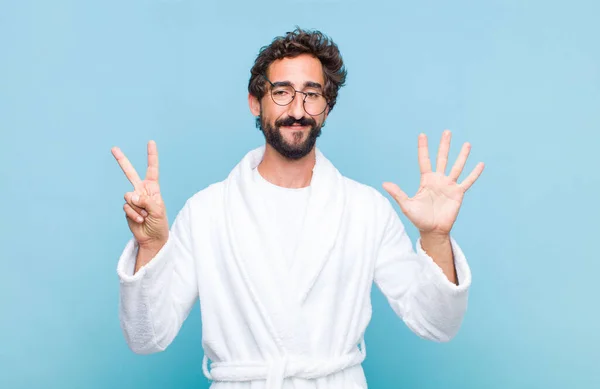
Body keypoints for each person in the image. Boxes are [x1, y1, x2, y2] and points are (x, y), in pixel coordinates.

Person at [112, 28, 484, 389]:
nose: (297, 109)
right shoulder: (207, 211)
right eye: (281, 92)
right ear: (255, 102)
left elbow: (437, 324)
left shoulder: (365, 210)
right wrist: (151, 248)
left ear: (326, 107)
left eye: (312, 94)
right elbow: (147, 336)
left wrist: (436, 238)